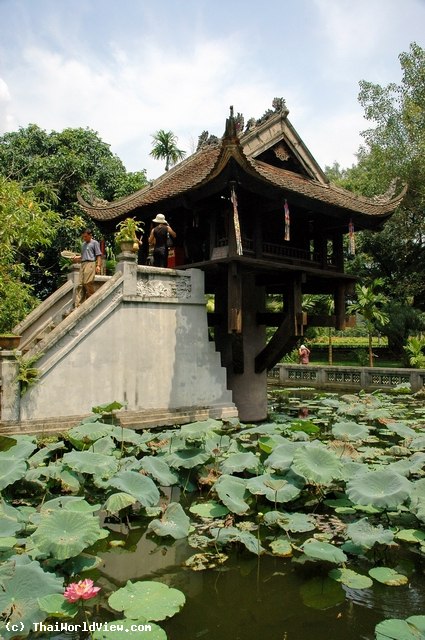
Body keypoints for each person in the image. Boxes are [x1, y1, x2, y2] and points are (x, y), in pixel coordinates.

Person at [72, 228, 102, 307]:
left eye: (85, 236)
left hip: (90, 263)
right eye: (83, 237)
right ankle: (78, 304)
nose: (84, 238)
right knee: (80, 284)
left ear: (90, 235)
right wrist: (76, 258)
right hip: (83, 264)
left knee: (87, 282)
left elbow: (98, 255)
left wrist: (98, 266)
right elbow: (83, 256)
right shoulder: (83, 245)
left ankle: (92, 297)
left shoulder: (95, 243)